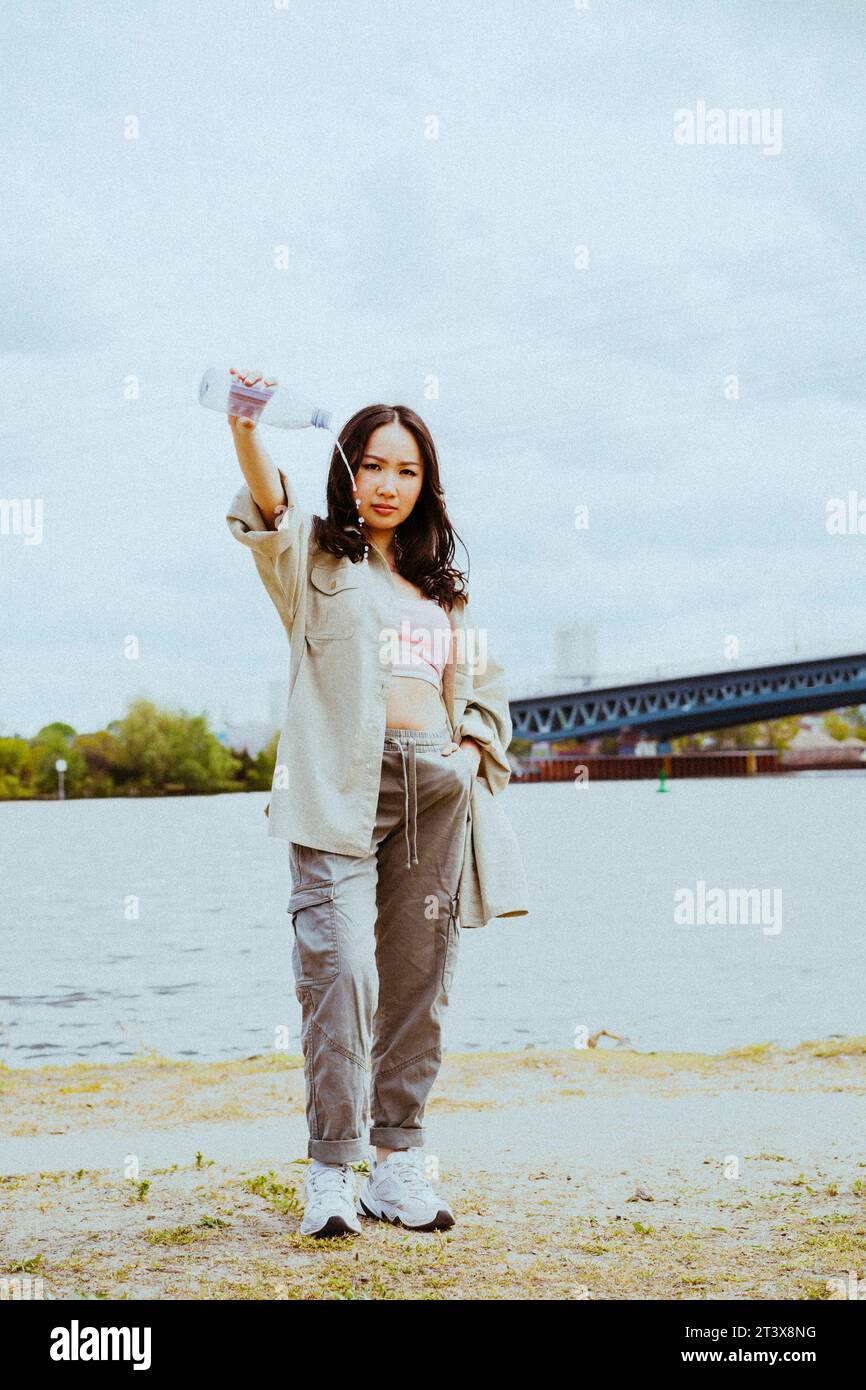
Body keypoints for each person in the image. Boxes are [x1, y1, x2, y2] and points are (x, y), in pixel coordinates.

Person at [225, 371, 517, 1239]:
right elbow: (266, 501)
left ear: (425, 486)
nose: (388, 484)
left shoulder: (443, 588)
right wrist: (245, 423)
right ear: (347, 471)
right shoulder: (312, 556)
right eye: (373, 466)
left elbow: (487, 688)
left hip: (434, 784)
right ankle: (330, 1171)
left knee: (419, 983)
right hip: (337, 784)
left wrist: (466, 753)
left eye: (408, 472)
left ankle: (398, 1165)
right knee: (340, 968)